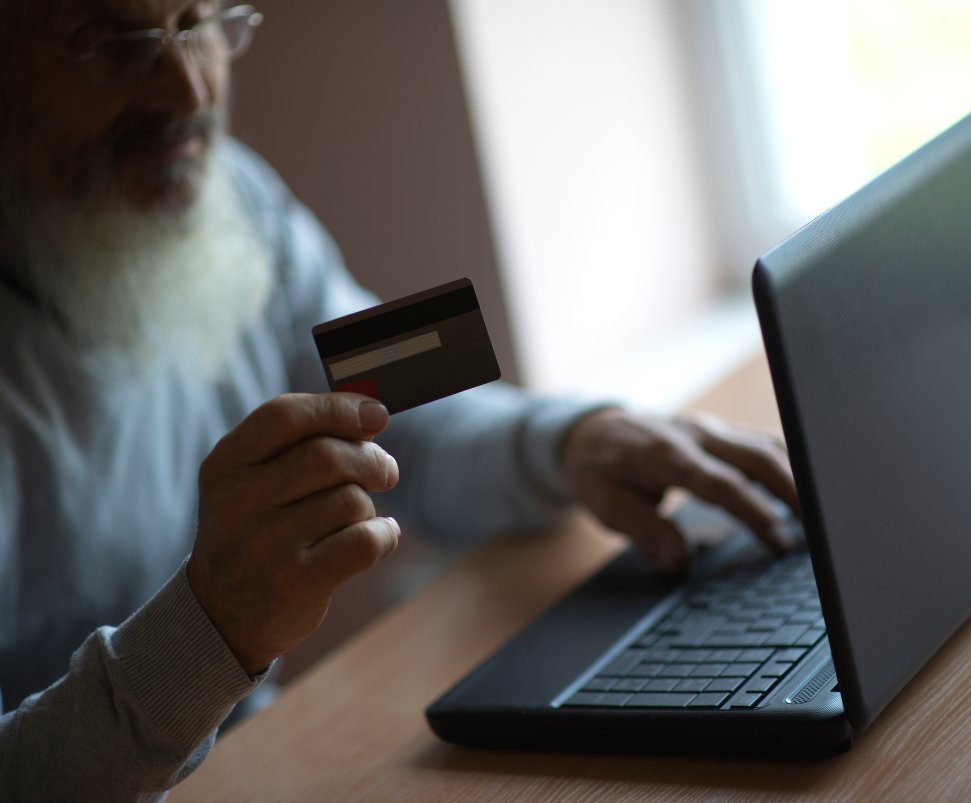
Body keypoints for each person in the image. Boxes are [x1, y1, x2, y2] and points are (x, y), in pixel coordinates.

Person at [0, 2, 800, 800]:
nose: (187, 87)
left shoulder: (230, 196)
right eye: (111, 44)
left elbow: (403, 422)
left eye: (200, 21)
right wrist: (207, 632)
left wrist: (570, 441)